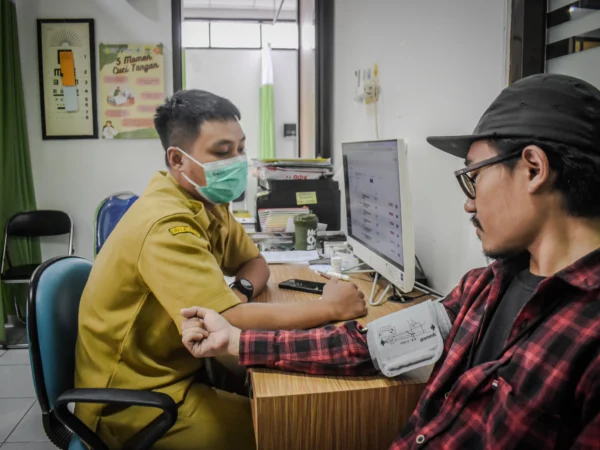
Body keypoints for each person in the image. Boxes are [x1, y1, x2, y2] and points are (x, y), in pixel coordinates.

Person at [181, 74, 600, 449]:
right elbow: (370, 344)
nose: (469, 203)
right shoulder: (485, 286)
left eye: (474, 175)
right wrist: (236, 341)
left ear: (533, 168)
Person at [74, 89, 367, 449]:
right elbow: (231, 318)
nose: (237, 161)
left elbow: (254, 263)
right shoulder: (166, 224)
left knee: (289, 405)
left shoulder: (207, 201)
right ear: (177, 159)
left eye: (240, 149)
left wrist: (239, 290)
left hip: (182, 369)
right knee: (287, 428)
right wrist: (332, 308)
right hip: (134, 402)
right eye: (221, 152)